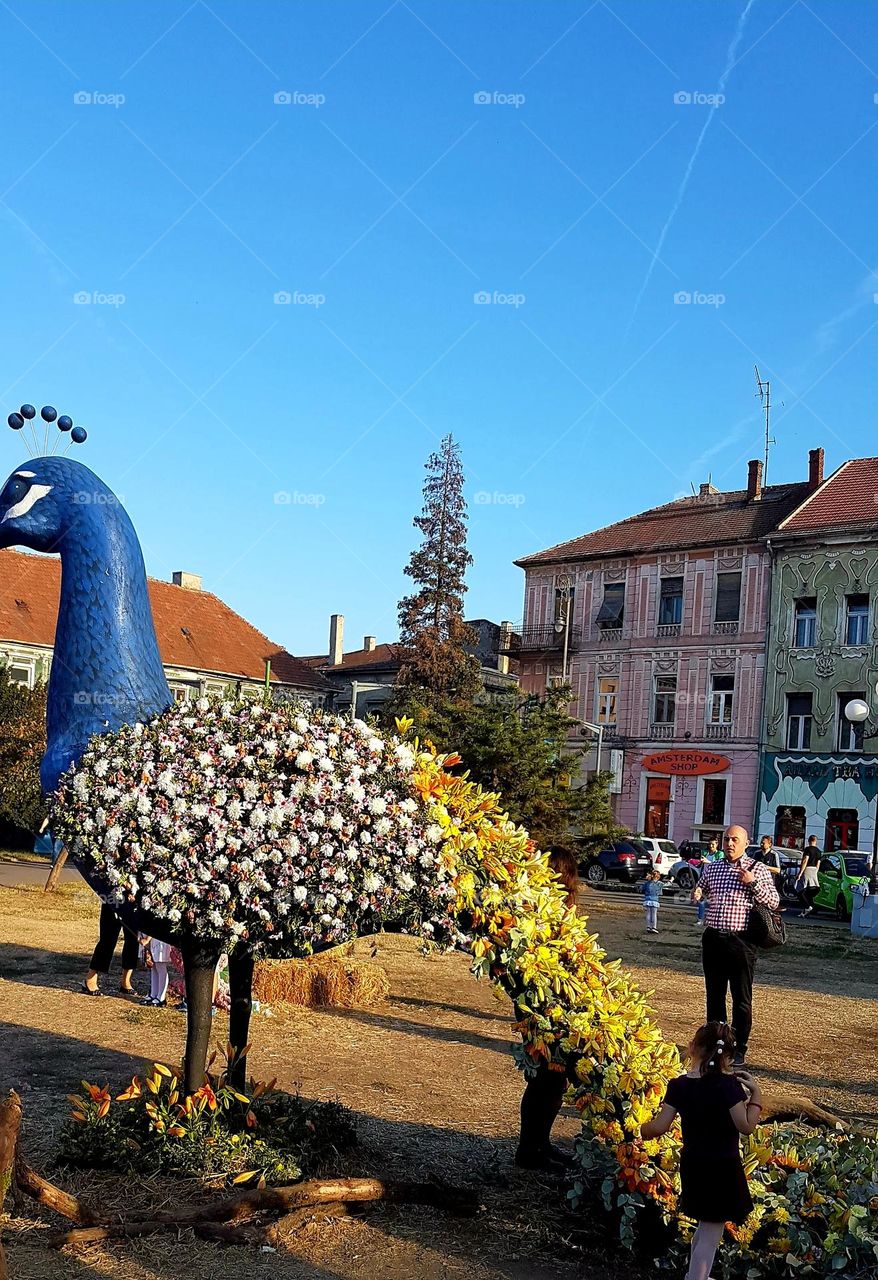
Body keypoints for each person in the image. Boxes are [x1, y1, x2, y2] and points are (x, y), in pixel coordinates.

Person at [641, 1020, 761, 1280]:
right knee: (710, 1233)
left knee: (703, 1230)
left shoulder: (679, 1085)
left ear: (693, 1047)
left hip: (694, 1165)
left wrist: (641, 1129)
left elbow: (660, 1126)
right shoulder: (728, 1087)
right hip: (722, 1168)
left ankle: (695, 1275)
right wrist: (757, 1097)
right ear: (728, 1056)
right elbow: (746, 1126)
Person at [693, 825, 779, 1065]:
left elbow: (773, 901)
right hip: (713, 939)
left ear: (746, 843)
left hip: (741, 941)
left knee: (741, 997)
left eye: (735, 840)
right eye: (727, 839)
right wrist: (698, 891)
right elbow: (703, 886)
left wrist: (752, 883)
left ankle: (739, 1047)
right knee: (715, 995)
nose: (730, 844)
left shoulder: (757, 868)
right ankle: (716, 1044)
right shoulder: (713, 868)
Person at [515, 846, 579, 1170]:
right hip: (539, 1005)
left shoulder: (562, 912)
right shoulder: (539, 911)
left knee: (554, 1079)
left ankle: (540, 1143)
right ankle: (530, 1150)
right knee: (544, 1076)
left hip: (556, 1003)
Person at [83, 903, 139, 996]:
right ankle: (90, 978)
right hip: (112, 898)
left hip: (135, 901)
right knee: (108, 939)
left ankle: (126, 982)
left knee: (133, 939)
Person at [139, 934, 173, 1007]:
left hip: (159, 940)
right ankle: (153, 994)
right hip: (151, 940)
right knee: (153, 967)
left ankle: (161, 997)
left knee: (160, 967)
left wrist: (147, 939)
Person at [796, 835, 822, 916]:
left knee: (801, 890)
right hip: (814, 870)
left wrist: (800, 873)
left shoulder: (808, 849)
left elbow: (805, 860)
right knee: (810, 890)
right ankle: (809, 908)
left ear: (809, 841)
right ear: (816, 841)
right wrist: (816, 872)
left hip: (807, 869)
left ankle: (807, 907)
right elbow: (818, 863)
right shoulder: (819, 851)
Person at [641, 869, 662, 933]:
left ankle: (648, 926)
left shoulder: (647, 883)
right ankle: (654, 927)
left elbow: (641, 888)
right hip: (655, 900)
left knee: (648, 913)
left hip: (647, 899)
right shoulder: (659, 883)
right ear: (658, 877)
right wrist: (671, 880)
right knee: (654, 914)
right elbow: (667, 884)